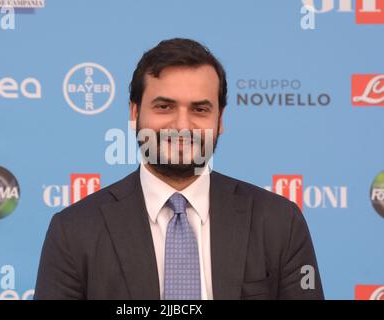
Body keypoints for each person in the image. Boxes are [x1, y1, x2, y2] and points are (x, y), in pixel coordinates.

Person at [34, 38, 324, 300]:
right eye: (164, 107)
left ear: (220, 120)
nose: (182, 127)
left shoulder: (279, 222)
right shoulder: (74, 231)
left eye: (199, 109)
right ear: (135, 113)